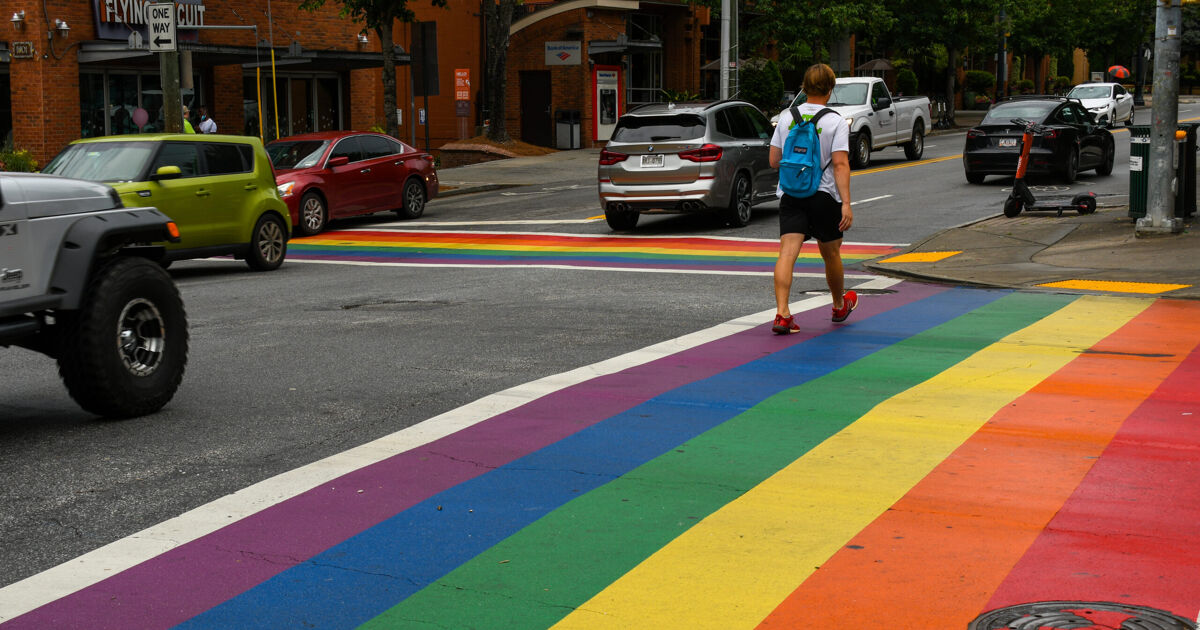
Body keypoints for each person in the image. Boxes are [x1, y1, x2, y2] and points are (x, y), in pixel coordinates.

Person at [768, 63, 857, 334]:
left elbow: (774, 160)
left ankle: (783, 314)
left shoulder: (786, 117)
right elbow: (840, 164)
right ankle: (839, 304)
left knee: (787, 253)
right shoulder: (835, 121)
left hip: (791, 193)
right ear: (830, 89)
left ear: (804, 87)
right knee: (831, 253)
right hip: (824, 195)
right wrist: (846, 203)